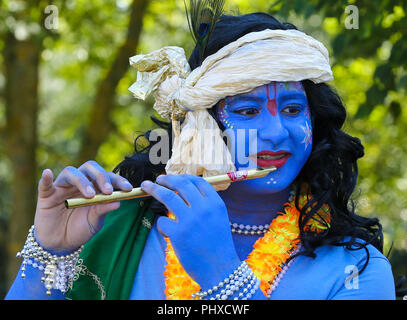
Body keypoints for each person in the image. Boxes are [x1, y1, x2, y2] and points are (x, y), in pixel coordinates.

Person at [6, 12, 396, 300]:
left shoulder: (356, 269)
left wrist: (222, 275)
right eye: (246, 111)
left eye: (293, 109)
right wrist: (50, 250)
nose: (277, 133)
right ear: (195, 125)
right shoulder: (119, 225)